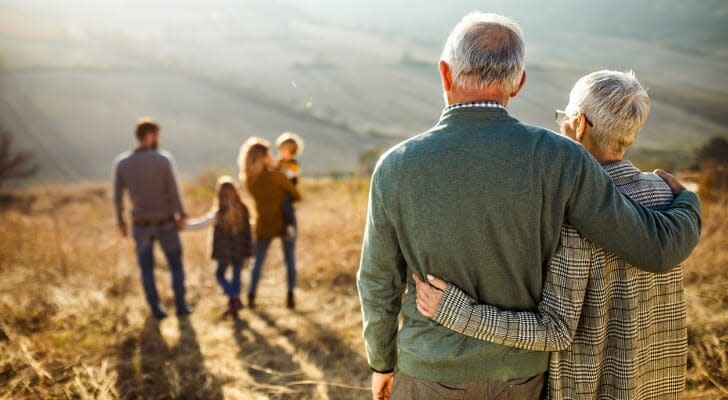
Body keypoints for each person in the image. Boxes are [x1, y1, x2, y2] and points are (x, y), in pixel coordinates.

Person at [356, 12, 701, 400]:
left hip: (428, 371)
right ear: (519, 83)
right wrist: (687, 200)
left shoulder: (395, 166)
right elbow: (651, 246)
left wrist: (381, 362)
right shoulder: (560, 157)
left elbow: (378, 281)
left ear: (444, 73)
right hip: (520, 376)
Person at [414, 70, 691, 400]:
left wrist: (459, 313)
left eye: (564, 117)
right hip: (657, 385)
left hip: (590, 389)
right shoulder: (666, 194)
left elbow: (556, 330)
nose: (560, 125)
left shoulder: (570, 210)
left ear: (580, 125)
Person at [113, 118, 192, 319]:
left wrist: (121, 221)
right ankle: (181, 305)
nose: (158, 139)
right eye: (157, 135)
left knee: (146, 268)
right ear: (150, 135)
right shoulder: (163, 160)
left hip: (140, 225)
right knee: (175, 265)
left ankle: (156, 309)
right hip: (165, 222)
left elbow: (117, 196)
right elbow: (173, 192)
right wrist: (181, 214)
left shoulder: (122, 163)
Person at [238, 137, 302, 309]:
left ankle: (251, 295)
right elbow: (296, 195)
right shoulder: (277, 176)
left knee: (257, 261)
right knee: (290, 260)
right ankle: (290, 295)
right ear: (264, 157)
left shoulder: (250, 180)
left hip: (263, 223)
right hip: (285, 221)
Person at [186, 176, 253, 319]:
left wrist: (183, 225)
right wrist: (249, 251)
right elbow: (249, 233)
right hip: (240, 251)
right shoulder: (244, 209)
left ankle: (233, 299)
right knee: (236, 277)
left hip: (224, 253)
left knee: (219, 275)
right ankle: (234, 301)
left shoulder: (218, 213)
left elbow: (200, 224)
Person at [275, 132, 304, 239]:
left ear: (292, 152)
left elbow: (292, 176)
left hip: (290, 191)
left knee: (286, 204)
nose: (282, 153)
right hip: (280, 190)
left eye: (284, 151)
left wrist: (282, 171)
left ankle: (290, 224)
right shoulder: (279, 162)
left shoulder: (294, 164)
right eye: (281, 151)